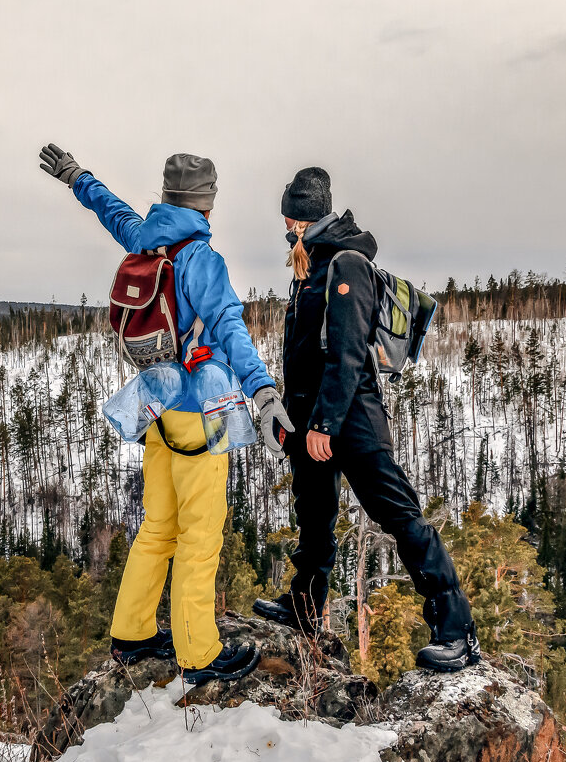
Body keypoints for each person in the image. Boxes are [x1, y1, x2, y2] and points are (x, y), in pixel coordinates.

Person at [38, 144, 293, 684]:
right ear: (207, 204)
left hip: (156, 404)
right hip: (202, 411)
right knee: (200, 535)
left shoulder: (145, 238)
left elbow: (111, 210)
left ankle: (131, 632)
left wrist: (77, 177)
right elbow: (229, 327)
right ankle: (198, 652)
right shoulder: (203, 261)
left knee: (158, 526)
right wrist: (264, 391)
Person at [252, 167, 480, 672]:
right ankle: (305, 609)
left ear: (302, 216)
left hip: (350, 419)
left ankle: (456, 627)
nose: (286, 224)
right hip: (311, 416)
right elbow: (309, 352)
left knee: (397, 513)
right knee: (315, 514)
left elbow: (350, 355)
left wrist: (325, 425)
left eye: (289, 215)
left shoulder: (347, 263)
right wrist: (296, 418)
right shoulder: (311, 263)